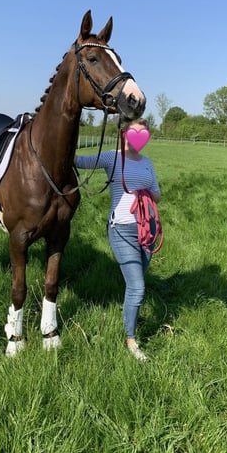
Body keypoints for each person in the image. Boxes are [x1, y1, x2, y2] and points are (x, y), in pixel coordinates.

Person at [75, 118, 162, 361]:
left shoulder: (148, 163)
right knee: (138, 286)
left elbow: (158, 194)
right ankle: (131, 340)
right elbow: (80, 162)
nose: (137, 137)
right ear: (124, 134)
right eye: (133, 132)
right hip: (121, 229)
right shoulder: (111, 157)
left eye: (142, 132)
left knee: (137, 283)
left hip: (147, 228)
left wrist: (147, 193)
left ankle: (129, 315)